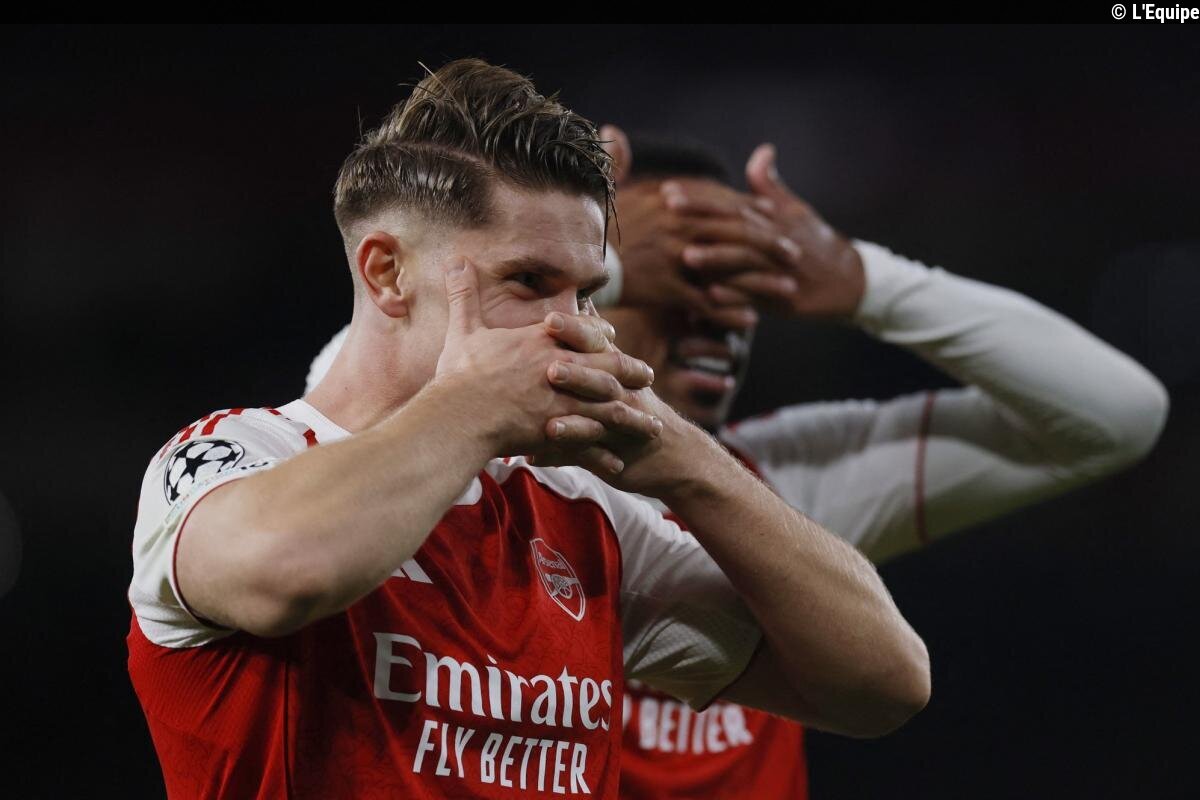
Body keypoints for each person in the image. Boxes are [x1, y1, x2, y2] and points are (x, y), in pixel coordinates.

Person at [127, 60, 929, 799]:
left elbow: (883, 686)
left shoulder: (583, 515)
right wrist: (475, 405)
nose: (576, 328)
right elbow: (289, 571)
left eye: (586, 293)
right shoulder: (231, 459)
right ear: (387, 273)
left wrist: (685, 460)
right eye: (528, 281)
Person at [312, 129, 1168, 798]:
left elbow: (1118, 415)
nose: (720, 320)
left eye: (741, 287)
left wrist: (871, 282)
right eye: (681, 283)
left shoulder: (782, 486)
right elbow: (356, 399)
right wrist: (600, 271)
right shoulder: (488, 484)